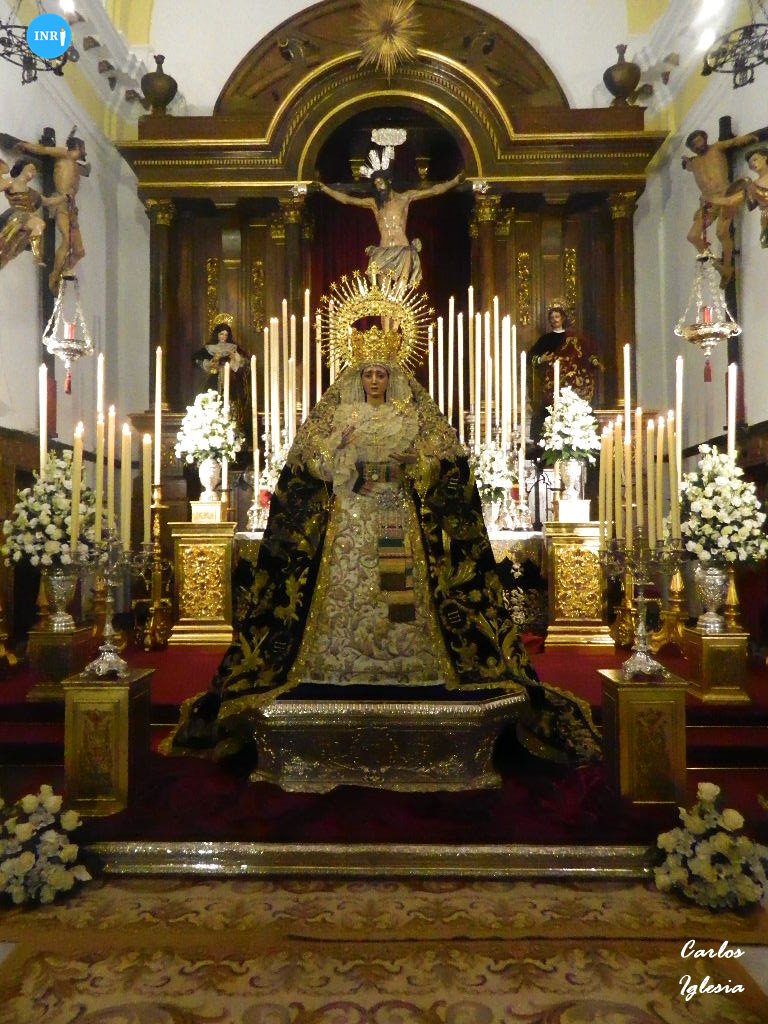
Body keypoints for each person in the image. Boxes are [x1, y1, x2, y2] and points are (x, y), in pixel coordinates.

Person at [168, 318, 600, 771]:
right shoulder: (341, 415)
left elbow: (443, 464)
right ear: (358, 377)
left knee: (402, 587)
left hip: (397, 511)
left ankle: (406, 660)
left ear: (391, 377)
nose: (374, 381)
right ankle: (338, 661)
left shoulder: (410, 416)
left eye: (381, 374)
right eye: (368, 373)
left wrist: (417, 463)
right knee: (348, 587)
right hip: (351, 516)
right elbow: (313, 463)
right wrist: (341, 458)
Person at [316, 166, 464, 289]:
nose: (379, 187)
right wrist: (324, 189)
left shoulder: (405, 197)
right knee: (384, 294)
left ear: (389, 181)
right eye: (376, 184)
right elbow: (347, 200)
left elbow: (434, 191)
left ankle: (399, 318)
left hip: (403, 250)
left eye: (380, 182)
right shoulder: (375, 204)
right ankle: (385, 319)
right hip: (383, 250)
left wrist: (455, 181)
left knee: (399, 294)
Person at [13, 130, 90, 293]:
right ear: (77, 146)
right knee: (67, 240)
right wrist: (25, 145)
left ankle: (64, 272)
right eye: (83, 147)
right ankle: (54, 277)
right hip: (60, 202)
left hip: (72, 208)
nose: (85, 151)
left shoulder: (76, 167)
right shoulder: (64, 154)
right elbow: (43, 150)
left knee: (79, 251)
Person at [682, 128, 758, 284]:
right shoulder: (694, 162)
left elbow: (734, 142)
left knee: (722, 233)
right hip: (708, 202)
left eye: (699, 140)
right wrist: (686, 162)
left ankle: (727, 266)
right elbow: (688, 165)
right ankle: (717, 265)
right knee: (693, 236)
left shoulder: (716, 148)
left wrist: (751, 138)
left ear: (705, 138)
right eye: (694, 145)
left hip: (725, 195)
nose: (698, 145)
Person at [528, 301, 602, 442]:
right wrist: (541, 359)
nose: (554, 320)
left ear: (563, 318)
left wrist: (594, 361)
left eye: (557, 316)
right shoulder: (545, 339)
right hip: (553, 382)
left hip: (573, 383)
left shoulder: (575, 338)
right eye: (552, 317)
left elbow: (587, 353)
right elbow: (531, 357)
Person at [192, 319, 250, 436]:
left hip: (231, 379)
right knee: (213, 399)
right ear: (217, 335)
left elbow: (245, 362)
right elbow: (196, 359)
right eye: (221, 334)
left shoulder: (233, 348)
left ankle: (233, 426)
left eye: (226, 335)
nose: (223, 337)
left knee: (232, 401)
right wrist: (212, 362)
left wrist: (236, 358)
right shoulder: (210, 348)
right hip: (215, 378)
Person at [0, 159, 60, 270]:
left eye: (35, 171)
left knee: (9, 252)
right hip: (16, 217)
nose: (33, 173)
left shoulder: (34, 193)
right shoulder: (11, 182)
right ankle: (37, 256)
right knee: (39, 224)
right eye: (31, 169)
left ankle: (36, 255)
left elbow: (48, 201)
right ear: (22, 168)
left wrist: (65, 197)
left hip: (28, 221)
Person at [710, 144, 768, 250]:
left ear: (764, 158)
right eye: (750, 164)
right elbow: (732, 200)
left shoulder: (751, 185)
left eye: (755, 159)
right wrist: (711, 199)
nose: (753, 164)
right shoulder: (752, 185)